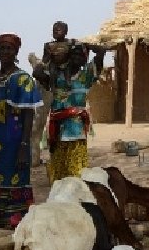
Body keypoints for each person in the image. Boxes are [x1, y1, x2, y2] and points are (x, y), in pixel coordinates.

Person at [0, 33, 43, 228]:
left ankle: (17, 229)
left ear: (16, 52)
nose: (5, 51)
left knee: (14, 184)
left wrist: (24, 146)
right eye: (2, 48)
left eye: (9, 48)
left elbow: (28, 114)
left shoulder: (22, 79)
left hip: (14, 144)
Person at [34, 42, 103, 181]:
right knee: (58, 176)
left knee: (77, 175)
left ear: (85, 59)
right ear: (68, 57)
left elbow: (101, 51)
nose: (77, 57)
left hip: (77, 133)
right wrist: (47, 57)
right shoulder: (56, 75)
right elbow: (37, 73)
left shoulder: (86, 75)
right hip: (57, 132)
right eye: (74, 54)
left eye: (80, 55)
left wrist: (86, 45)